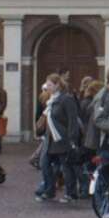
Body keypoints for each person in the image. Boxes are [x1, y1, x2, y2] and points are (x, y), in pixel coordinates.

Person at [37, 74, 81, 202]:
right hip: (50, 139)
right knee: (44, 164)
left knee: (66, 167)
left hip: (62, 139)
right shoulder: (51, 100)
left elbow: (73, 120)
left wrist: (73, 139)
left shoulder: (66, 99)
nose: (48, 87)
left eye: (50, 85)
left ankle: (71, 193)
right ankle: (49, 190)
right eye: (47, 85)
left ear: (57, 85)